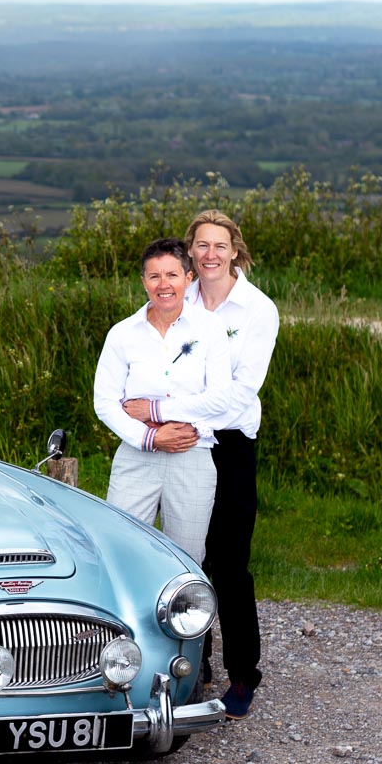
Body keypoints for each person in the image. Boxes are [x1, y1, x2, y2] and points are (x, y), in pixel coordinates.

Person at [178, 208, 279, 721]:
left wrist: (169, 411)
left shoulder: (258, 310)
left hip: (232, 442)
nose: (210, 254)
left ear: (235, 250)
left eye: (220, 245)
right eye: (201, 245)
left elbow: (240, 394)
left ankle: (244, 674)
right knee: (184, 556)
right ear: (191, 251)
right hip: (182, 442)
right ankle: (195, 664)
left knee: (229, 561)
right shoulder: (179, 298)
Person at [93, 237, 233, 564]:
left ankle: (181, 615)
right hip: (136, 455)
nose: (163, 284)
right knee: (122, 548)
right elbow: (105, 402)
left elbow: (219, 399)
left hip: (192, 453)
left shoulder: (211, 329)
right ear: (143, 282)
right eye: (154, 276)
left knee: (185, 558)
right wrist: (151, 437)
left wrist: (154, 409)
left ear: (189, 278)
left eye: (172, 275)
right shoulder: (123, 334)